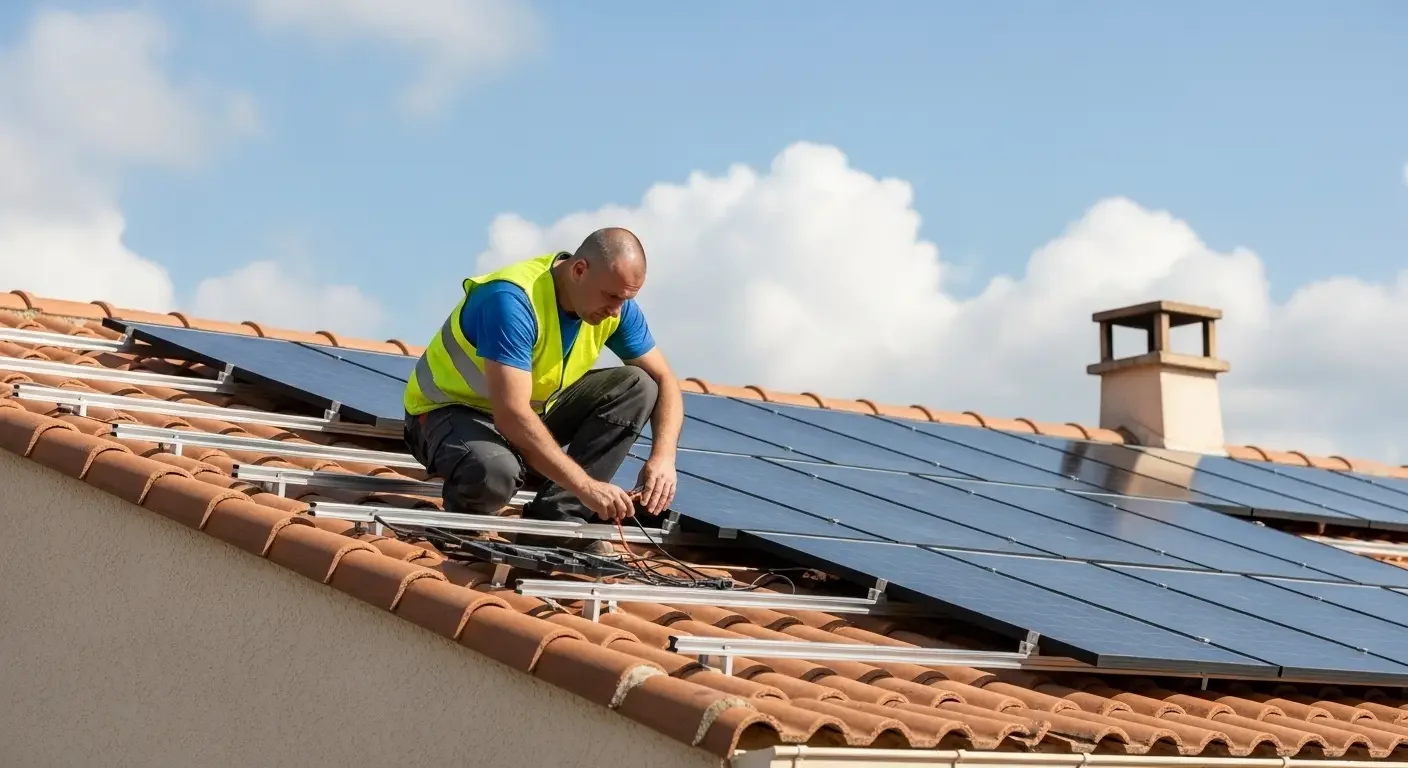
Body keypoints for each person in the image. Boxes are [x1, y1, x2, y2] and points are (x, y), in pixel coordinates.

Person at [401, 227, 683, 557]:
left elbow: (665, 379)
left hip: (525, 416)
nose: (617, 310)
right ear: (579, 270)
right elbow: (511, 416)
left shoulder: (614, 304)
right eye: (611, 297)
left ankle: (557, 522)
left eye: (626, 299)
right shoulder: (512, 300)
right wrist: (586, 486)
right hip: (445, 414)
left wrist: (663, 457)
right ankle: (463, 523)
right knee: (496, 472)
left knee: (638, 386)